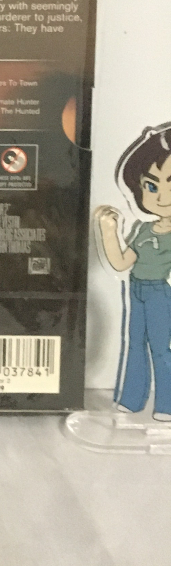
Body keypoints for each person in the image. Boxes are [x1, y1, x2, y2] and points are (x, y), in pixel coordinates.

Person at [95, 124, 171, 420]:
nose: (162, 197)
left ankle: (166, 404)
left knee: (161, 349)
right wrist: (108, 231)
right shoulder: (142, 229)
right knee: (134, 344)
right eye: (152, 186)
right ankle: (131, 399)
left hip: (161, 294)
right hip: (137, 290)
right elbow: (120, 263)